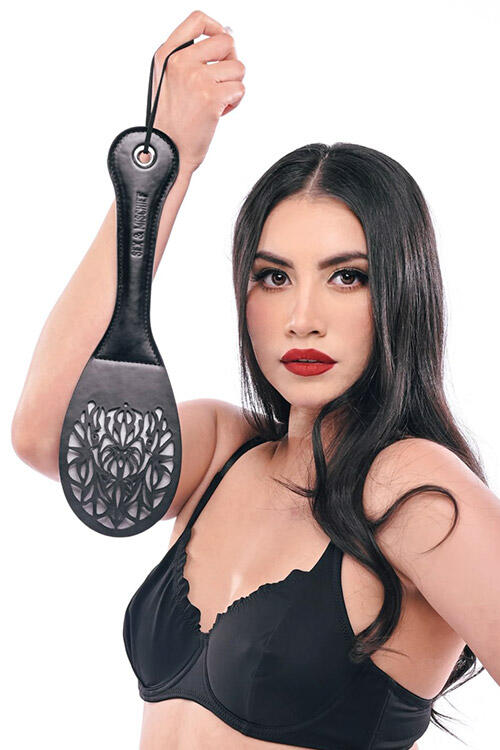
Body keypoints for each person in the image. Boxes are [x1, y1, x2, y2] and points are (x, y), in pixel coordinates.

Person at [11, 9, 500, 750]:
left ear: (403, 293)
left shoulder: (412, 488)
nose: (303, 319)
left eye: (347, 277)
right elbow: (47, 434)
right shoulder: (221, 450)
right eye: (273, 277)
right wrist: (163, 166)